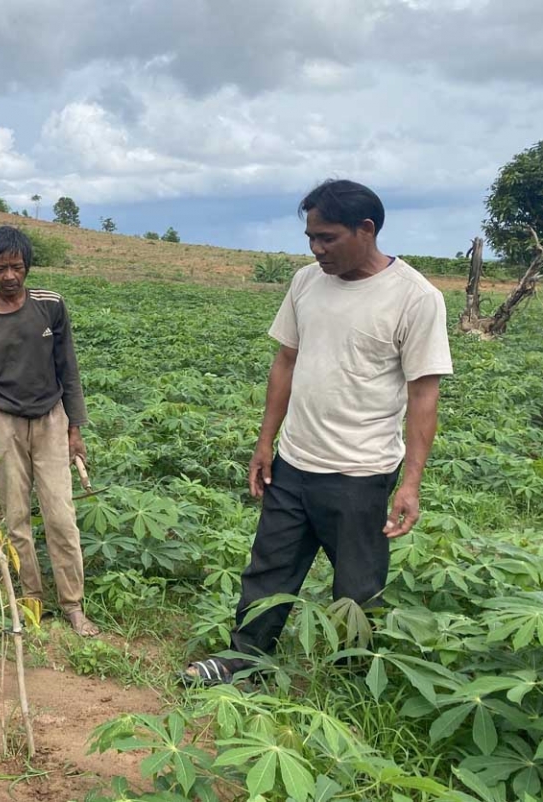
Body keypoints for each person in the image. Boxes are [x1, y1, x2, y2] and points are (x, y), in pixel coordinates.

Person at [184, 179, 453, 685]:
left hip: (360, 470)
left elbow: (423, 395)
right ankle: (246, 660)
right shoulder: (306, 282)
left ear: (365, 229)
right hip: (295, 461)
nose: (316, 248)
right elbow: (285, 361)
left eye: (327, 237)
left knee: (356, 587)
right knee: (268, 569)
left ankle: (352, 680)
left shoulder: (415, 298)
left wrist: (411, 482)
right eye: (311, 236)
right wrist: (266, 442)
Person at [0, 225, 100, 637]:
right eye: (1, 268)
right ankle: (30, 601)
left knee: (61, 514)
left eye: (17, 267)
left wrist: (76, 428)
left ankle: (73, 605)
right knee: (16, 517)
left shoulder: (51, 306)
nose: (9, 276)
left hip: (50, 418)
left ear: (28, 267)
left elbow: (68, 368)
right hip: (3, 422)